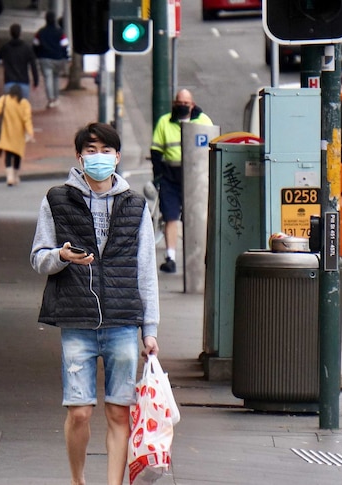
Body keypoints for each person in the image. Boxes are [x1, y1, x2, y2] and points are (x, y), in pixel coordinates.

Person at [30, 122, 160, 485]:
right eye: (90, 150)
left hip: (122, 322)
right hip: (77, 321)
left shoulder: (135, 205)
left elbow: (145, 270)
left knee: (120, 414)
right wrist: (62, 256)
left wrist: (149, 330)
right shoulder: (57, 199)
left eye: (105, 151)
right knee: (80, 413)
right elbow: (38, 257)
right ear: (79, 156)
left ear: (117, 156)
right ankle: (78, 480)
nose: (98, 157)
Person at [150, 89, 213, 273]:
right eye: (180, 102)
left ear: (192, 104)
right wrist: (158, 177)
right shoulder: (164, 122)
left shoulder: (203, 121)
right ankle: (171, 257)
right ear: (174, 103)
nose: (183, 106)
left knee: (198, 218)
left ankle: (201, 256)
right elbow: (156, 151)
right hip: (171, 176)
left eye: (186, 102)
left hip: (196, 176)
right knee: (170, 216)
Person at [0, 84, 34, 186]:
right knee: (17, 155)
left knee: (8, 155)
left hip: (6, 132)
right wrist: (30, 132)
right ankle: (15, 176)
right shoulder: (24, 103)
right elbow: (27, 119)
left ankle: (9, 177)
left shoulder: (4, 99)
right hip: (19, 134)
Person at [33, 11, 70, 109]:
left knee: (48, 79)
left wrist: (38, 54)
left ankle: (51, 99)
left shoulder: (40, 32)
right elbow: (65, 45)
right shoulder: (60, 32)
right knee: (56, 78)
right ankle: (56, 97)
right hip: (58, 58)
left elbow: (35, 44)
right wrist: (65, 57)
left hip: (44, 58)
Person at [0, 23, 40, 100]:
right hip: (23, 82)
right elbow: (33, 66)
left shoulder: (5, 48)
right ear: (20, 33)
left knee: (10, 108)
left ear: (10, 33)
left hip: (9, 81)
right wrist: (35, 81)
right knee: (23, 107)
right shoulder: (27, 48)